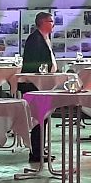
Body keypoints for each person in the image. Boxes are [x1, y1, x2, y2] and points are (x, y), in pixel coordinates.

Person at [20, 11, 56, 168]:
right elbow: (33, 65)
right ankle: (36, 152)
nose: (53, 24)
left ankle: (40, 149)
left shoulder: (45, 38)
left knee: (43, 118)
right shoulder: (35, 39)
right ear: (43, 22)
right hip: (34, 85)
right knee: (37, 119)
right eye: (51, 21)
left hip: (43, 84)